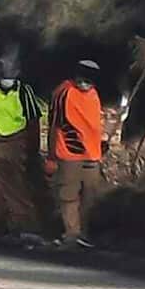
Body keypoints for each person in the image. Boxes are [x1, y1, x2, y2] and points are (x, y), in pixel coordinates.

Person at [0, 58, 45, 239]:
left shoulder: (23, 91)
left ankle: (23, 224)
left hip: (16, 141)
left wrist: (33, 148)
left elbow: (33, 120)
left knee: (13, 183)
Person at [47, 59, 106, 249]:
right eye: (82, 78)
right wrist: (51, 157)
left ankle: (84, 234)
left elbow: (93, 126)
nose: (85, 83)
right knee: (69, 196)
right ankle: (72, 234)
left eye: (89, 80)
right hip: (69, 154)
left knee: (91, 195)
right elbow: (54, 126)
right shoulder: (63, 92)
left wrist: (100, 144)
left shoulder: (94, 95)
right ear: (76, 75)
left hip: (93, 155)